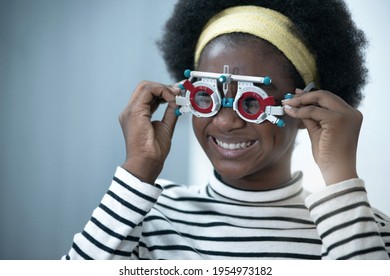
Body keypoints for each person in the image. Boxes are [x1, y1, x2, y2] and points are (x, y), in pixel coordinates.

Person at [63, 0, 390, 260]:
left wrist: (341, 179)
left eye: (251, 102)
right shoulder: (142, 217)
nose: (225, 121)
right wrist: (138, 170)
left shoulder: (360, 227)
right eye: (206, 96)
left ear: (304, 106)